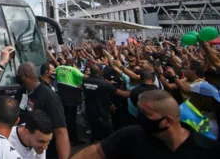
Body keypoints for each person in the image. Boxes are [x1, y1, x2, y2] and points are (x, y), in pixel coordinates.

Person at [71, 90, 220, 159]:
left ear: (167, 121)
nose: (139, 117)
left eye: (145, 113)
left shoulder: (207, 149)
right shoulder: (131, 136)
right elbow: (96, 152)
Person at [15, 62, 70, 159]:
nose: (17, 77)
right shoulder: (22, 91)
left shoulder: (49, 97)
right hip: (25, 150)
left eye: (19, 74)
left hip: (45, 151)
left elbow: (61, 132)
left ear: (25, 76)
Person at [82, 64, 130, 141]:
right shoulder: (104, 84)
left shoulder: (85, 80)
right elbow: (123, 94)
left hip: (89, 110)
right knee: (107, 134)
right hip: (102, 112)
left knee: (94, 131)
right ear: (101, 71)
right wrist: (134, 90)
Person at [54, 59, 84, 145]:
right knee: (72, 120)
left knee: (65, 119)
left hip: (62, 99)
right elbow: (85, 77)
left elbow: (53, 72)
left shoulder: (59, 68)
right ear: (73, 64)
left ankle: (65, 137)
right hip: (71, 100)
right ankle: (73, 139)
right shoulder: (74, 70)